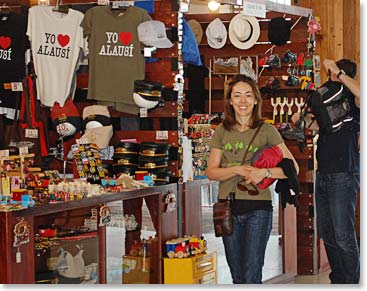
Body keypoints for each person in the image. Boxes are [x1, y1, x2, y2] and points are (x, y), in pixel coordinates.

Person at [206, 74, 299, 284]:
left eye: (248, 96)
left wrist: (263, 173)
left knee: (251, 273)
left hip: (259, 208)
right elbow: (211, 171)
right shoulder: (221, 131)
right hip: (227, 208)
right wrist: (237, 169)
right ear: (230, 100)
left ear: (256, 99)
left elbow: (292, 168)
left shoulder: (267, 130)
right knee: (237, 275)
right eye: (237, 96)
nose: (242, 101)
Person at [292, 58, 360, 284]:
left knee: (343, 235)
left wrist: (337, 72)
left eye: (335, 75)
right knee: (328, 233)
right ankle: (338, 279)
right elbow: (316, 125)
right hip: (323, 174)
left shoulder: (353, 101)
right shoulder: (330, 105)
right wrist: (301, 121)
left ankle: (351, 281)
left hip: (344, 173)